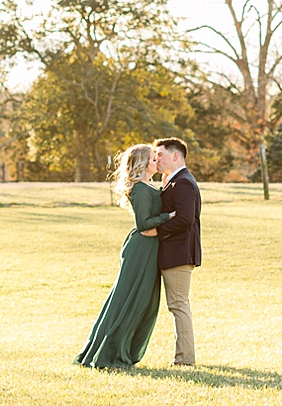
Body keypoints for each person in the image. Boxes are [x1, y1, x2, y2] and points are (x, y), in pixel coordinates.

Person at [74, 143, 173, 369]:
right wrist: (169, 217)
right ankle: (109, 353)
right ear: (143, 163)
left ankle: (122, 349)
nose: (157, 160)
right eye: (152, 158)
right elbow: (144, 225)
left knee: (142, 302)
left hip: (148, 249)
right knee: (130, 300)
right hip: (142, 249)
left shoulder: (148, 186)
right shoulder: (139, 189)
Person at [143, 137, 201, 367]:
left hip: (179, 253)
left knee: (178, 304)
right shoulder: (172, 181)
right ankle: (184, 358)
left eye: (160, 155)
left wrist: (157, 230)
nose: (157, 159)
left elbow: (185, 219)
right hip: (174, 252)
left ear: (175, 156)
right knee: (177, 304)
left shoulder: (184, 182)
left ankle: (184, 360)